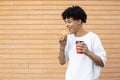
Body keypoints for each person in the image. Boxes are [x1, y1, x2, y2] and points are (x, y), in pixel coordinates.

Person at [58, 5, 106, 80]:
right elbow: (61, 62)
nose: (66, 25)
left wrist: (88, 52)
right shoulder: (68, 39)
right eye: (65, 22)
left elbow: (102, 63)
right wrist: (62, 47)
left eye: (69, 22)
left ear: (79, 21)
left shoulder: (93, 38)